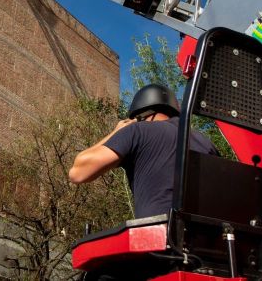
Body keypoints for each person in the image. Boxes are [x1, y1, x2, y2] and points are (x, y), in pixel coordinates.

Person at [68, 83, 218, 219]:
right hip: (206, 238)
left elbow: (78, 173)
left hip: (158, 237)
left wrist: (117, 132)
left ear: (142, 114)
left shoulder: (138, 130)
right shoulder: (206, 142)